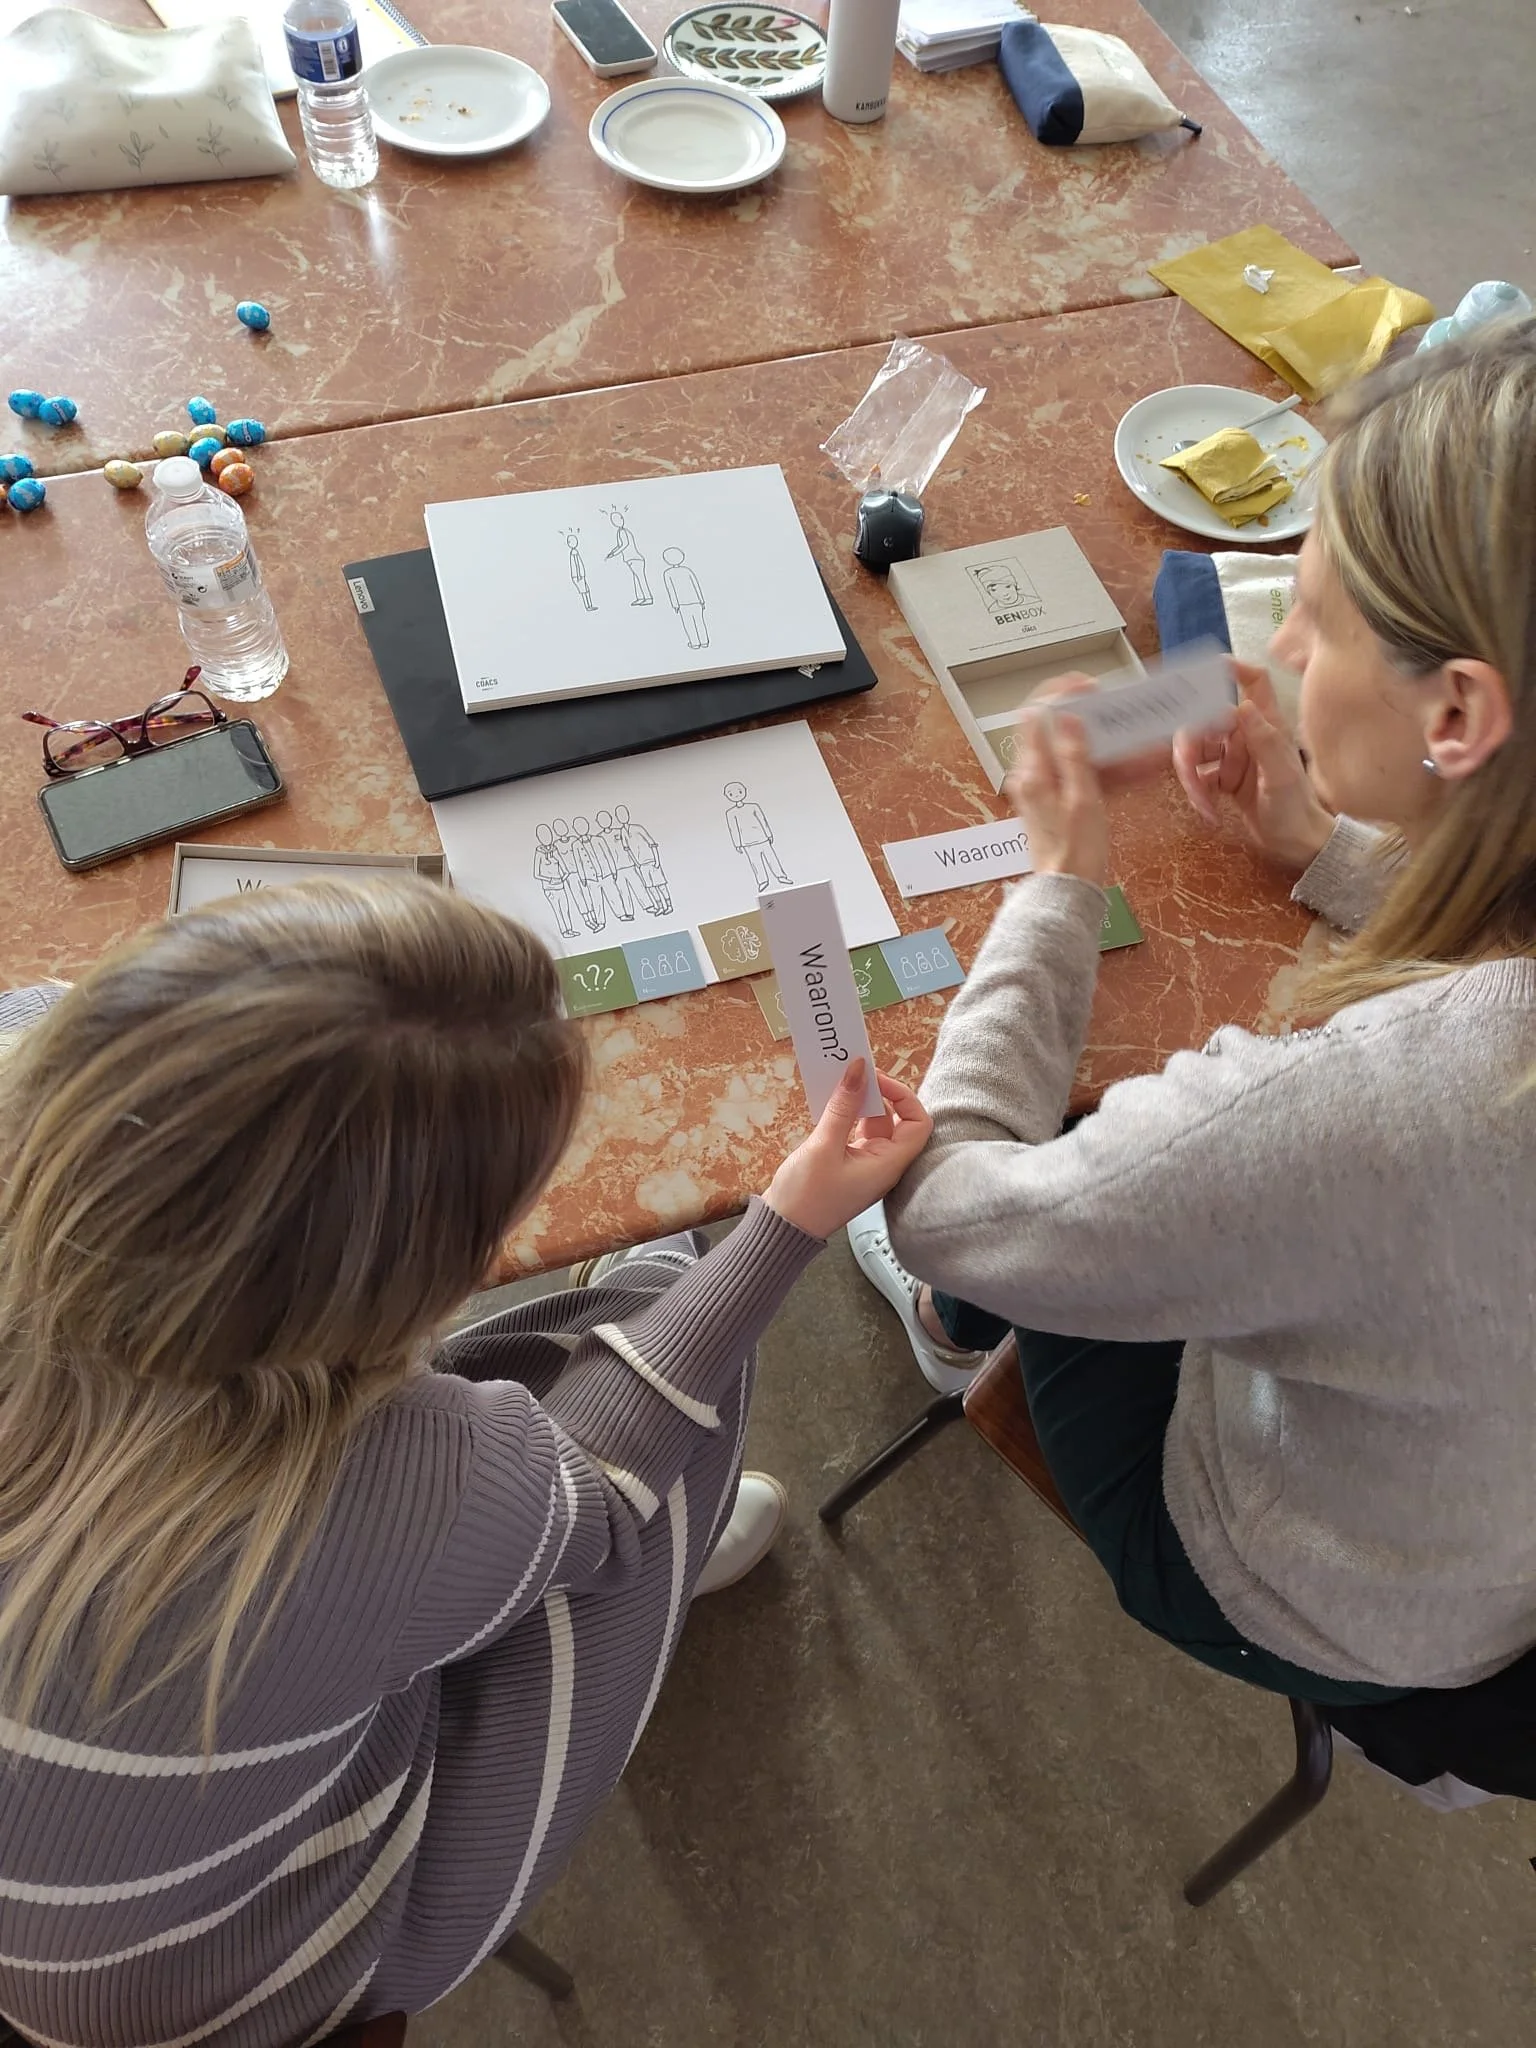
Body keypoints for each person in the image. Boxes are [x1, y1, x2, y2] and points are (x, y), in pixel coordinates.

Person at [0, 878, 929, 2046]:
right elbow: (601, 1484)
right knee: (672, 1376)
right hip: (244, 1971)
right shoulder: (397, 1482)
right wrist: (785, 1224)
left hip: (80, 1885)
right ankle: (660, 1560)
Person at [856, 321, 1536, 1705]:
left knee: (1057, 1161)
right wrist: (1330, 849)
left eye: (1317, 616)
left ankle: (942, 1330)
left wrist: (1059, 875)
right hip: (1479, 1531)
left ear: (1458, 715)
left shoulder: (1380, 1103)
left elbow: (953, 1208)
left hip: (1311, 1589)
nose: (1279, 644)